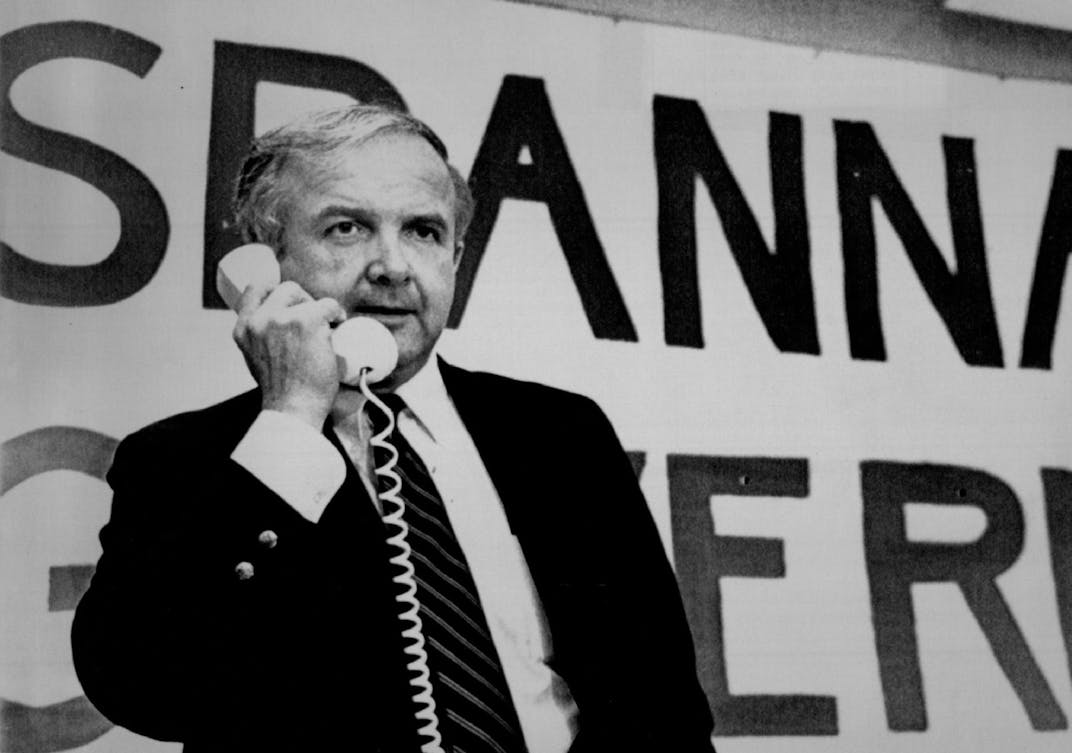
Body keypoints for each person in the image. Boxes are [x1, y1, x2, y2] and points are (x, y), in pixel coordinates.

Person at [72, 104, 714, 752]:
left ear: (457, 257)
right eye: (347, 228)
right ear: (266, 262)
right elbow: (139, 682)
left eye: (424, 232)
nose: (393, 265)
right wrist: (291, 421)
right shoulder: (179, 459)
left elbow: (664, 708)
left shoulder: (560, 433)